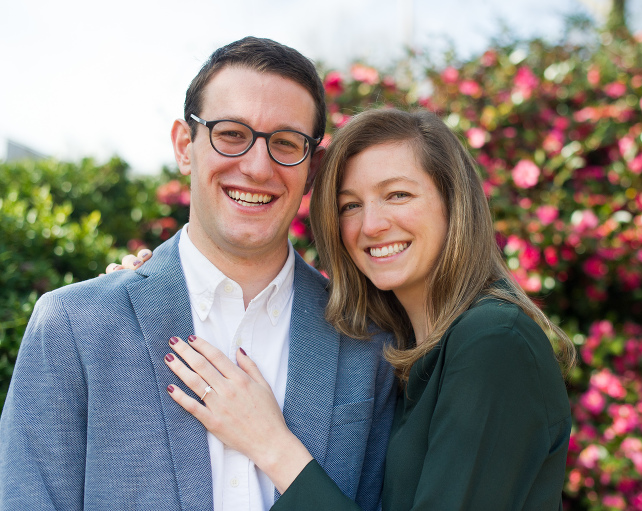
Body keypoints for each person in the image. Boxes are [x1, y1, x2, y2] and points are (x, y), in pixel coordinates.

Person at [0, 37, 396, 511]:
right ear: (186, 146)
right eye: (231, 133)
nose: (256, 166)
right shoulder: (74, 324)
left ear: (311, 168)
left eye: (285, 143)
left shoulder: (368, 343)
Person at [135, 108, 576, 510]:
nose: (372, 224)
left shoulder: (493, 341)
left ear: (452, 203)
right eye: (350, 206)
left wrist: (270, 444)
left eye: (398, 195)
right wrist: (148, 283)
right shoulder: (408, 349)